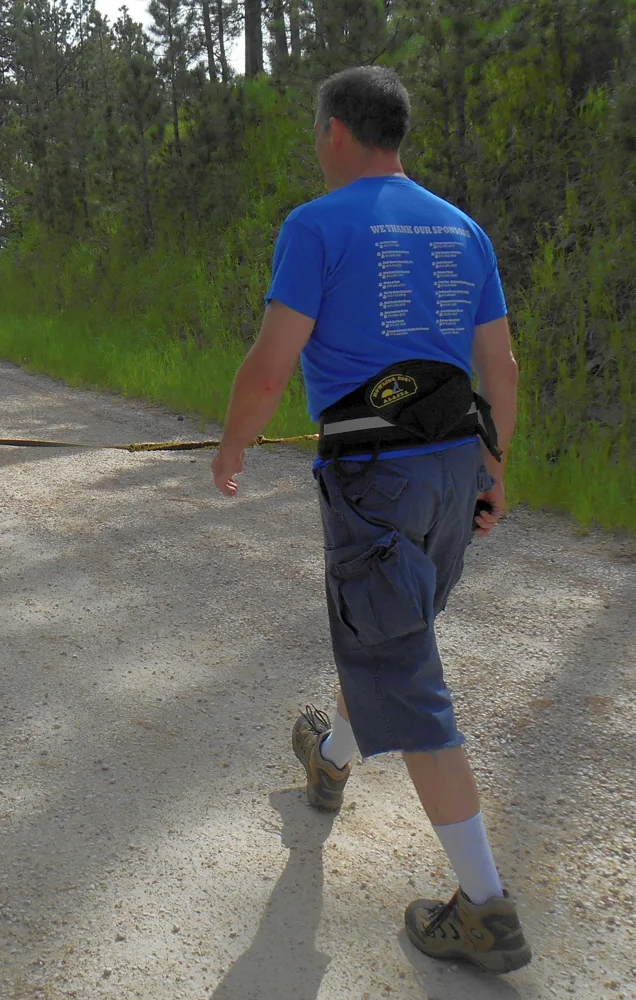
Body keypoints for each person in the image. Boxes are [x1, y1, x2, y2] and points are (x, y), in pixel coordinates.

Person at [211, 65, 529, 974]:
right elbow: (500, 368)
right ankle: (333, 758)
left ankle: (484, 905)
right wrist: (495, 467)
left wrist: (233, 448)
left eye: (317, 134)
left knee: (405, 668)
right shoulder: (463, 228)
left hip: (376, 478)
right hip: (452, 466)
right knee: (394, 631)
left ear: (336, 133)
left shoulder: (316, 225)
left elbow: (272, 366)